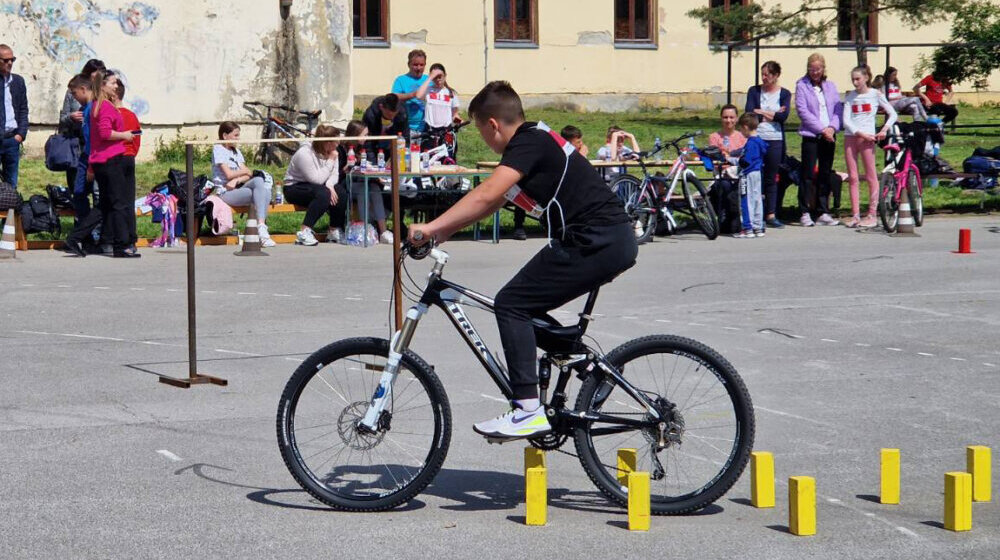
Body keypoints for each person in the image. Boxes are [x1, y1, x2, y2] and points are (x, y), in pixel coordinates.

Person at [407, 81, 637, 440]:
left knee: (512, 304)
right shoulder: (533, 144)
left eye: (483, 132)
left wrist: (431, 226)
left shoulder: (529, 142)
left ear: (493, 125)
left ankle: (527, 409)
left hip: (595, 240)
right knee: (523, 308)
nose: (485, 140)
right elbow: (495, 201)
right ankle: (593, 370)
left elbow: (486, 192)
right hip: (602, 240)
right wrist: (443, 233)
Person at [88, 70, 137, 258]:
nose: (116, 86)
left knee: (110, 203)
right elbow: (104, 133)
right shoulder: (106, 107)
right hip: (111, 159)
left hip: (105, 159)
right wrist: (125, 135)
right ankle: (122, 244)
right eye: (113, 83)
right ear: (103, 86)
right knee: (118, 204)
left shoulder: (97, 106)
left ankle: (114, 242)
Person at [842, 66, 897, 229]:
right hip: (851, 137)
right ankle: (855, 215)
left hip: (868, 139)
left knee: (871, 175)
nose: (855, 82)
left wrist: (884, 129)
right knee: (853, 177)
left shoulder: (875, 94)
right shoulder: (850, 96)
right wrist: (859, 133)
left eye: (858, 78)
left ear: (866, 78)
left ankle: (872, 214)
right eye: (853, 79)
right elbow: (846, 120)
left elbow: (893, 113)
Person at [795, 53, 842, 227]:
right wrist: (821, 130)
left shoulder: (830, 86)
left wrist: (832, 128)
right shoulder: (802, 86)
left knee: (825, 172)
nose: (815, 72)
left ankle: (823, 210)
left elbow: (838, 109)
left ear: (823, 69)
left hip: (829, 135)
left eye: (818, 69)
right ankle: (804, 211)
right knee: (807, 174)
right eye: (812, 69)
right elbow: (802, 111)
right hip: (811, 135)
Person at [282, 124, 348, 246]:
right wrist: (331, 160)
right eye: (336, 143)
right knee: (324, 194)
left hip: (320, 184)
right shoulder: (304, 153)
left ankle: (334, 229)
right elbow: (316, 179)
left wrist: (330, 185)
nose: (338, 145)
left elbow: (335, 175)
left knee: (341, 192)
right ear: (327, 143)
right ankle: (304, 231)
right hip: (294, 187)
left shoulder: (333, 152)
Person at [211, 122, 275, 247]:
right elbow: (228, 174)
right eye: (235, 135)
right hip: (225, 191)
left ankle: (261, 227)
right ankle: (261, 231)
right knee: (264, 192)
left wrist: (237, 180)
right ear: (225, 135)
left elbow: (249, 174)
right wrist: (241, 173)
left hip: (238, 187)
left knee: (259, 183)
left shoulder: (236, 152)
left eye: (238, 135)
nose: (238, 138)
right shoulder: (218, 149)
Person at [745, 61, 792, 228]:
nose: (764, 78)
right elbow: (750, 114)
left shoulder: (784, 94)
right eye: (762, 74)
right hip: (757, 139)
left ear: (776, 76)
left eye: (767, 74)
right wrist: (771, 113)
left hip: (775, 139)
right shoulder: (754, 91)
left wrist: (762, 112)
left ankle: (771, 214)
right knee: (755, 176)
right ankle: (754, 213)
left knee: (771, 177)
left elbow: (783, 117)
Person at [59, 58, 105, 208]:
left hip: (96, 146)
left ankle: (97, 225)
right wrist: (72, 117)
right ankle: (81, 221)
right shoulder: (74, 90)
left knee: (98, 190)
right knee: (77, 188)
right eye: (93, 78)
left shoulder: (103, 95)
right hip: (76, 144)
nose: (95, 82)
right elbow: (63, 118)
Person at [339, 120, 392, 244]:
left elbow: (367, 165)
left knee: (375, 188)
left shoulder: (362, 148)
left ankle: (383, 231)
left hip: (359, 181)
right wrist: (348, 166)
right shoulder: (342, 148)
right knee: (364, 189)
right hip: (344, 183)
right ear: (355, 134)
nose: (367, 137)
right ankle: (365, 228)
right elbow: (338, 172)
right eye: (365, 135)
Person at [114, 79, 140, 249]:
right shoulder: (132, 115)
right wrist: (131, 153)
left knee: (117, 201)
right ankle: (132, 237)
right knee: (129, 199)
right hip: (129, 158)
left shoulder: (112, 114)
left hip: (116, 158)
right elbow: (137, 140)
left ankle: (122, 238)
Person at [0, 44, 28, 189]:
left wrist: (21, 134)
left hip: (12, 138)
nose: (10, 63)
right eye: (5, 60)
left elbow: (23, 109)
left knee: (11, 184)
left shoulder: (18, 82)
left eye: (12, 60)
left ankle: (9, 210)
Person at [735, 113, 766, 239]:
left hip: (748, 174)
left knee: (746, 200)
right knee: (757, 199)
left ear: (746, 127)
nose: (741, 132)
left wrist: (734, 160)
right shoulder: (760, 141)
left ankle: (747, 227)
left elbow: (745, 160)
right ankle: (758, 227)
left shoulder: (751, 143)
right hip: (757, 173)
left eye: (741, 129)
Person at [392, 49, 437, 134]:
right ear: (409, 65)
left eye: (421, 65)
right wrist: (413, 94)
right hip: (406, 126)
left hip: (427, 126)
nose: (418, 68)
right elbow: (394, 97)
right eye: (415, 65)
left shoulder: (429, 80)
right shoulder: (401, 80)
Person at [422, 63, 461, 131]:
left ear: (445, 76)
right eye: (435, 77)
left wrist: (458, 122)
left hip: (446, 130)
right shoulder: (427, 90)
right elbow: (418, 95)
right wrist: (429, 78)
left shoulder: (451, 93)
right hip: (430, 129)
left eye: (440, 76)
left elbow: (455, 114)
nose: (438, 80)